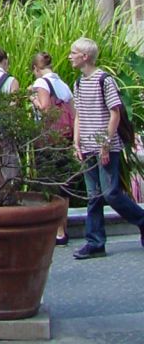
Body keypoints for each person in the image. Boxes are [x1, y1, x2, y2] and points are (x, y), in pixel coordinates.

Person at [69, 37, 144, 259]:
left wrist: (105, 143)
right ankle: (95, 243)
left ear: (85, 56)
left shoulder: (104, 80)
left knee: (110, 193)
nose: (70, 56)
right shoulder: (79, 83)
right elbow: (79, 115)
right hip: (87, 147)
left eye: (73, 53)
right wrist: (76, 142)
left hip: (106, 147)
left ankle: (141, 219)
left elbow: (115, 113)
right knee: (93, 195)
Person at [30, 51, 75, 244]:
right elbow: (73, 112)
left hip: (48, 140)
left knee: (49, 183)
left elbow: (45, 109)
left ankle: (56, 231)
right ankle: (63, 229)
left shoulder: (41, 83)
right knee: (64, 185)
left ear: (35, 68)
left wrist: (32, 98)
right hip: (64, 139)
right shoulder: (63, 84)